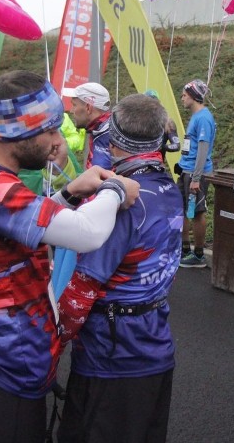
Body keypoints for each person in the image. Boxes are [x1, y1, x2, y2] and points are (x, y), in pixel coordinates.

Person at [0, 71, 139, 443]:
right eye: (51, 131)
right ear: (18, 134)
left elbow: (15, 228)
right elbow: (85, 233)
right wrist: (115, 190)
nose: (58, 144)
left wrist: (71, 192)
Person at [57, 94, 182, 443]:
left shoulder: (120, 204)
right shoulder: (169, 186)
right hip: (155, 345)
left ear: (112, 140)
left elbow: (81, 292)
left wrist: (49, 344)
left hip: (110, 357)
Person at [177, 79, 216, 268]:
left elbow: (203, 149)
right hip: (186, 170)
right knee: (183, 210)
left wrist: (196, 178)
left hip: (195, 173)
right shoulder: (196, 117)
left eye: (184, 95)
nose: (182, 98)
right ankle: (185, 249)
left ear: (193, 96)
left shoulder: (203, 118)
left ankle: (199, 254)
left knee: (197, 212)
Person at [64, 81, 112, 169]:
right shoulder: (99, 130)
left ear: (88, 108)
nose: (71, 111)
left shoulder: (112, 137)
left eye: (74, 105)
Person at [145, 88, 181, 161]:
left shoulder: (168, 122)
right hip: (139, 165)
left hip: (157, 165)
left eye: (153, 102)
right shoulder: (138, 121)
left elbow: (176, 146)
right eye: (147, 103)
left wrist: (161, 146)